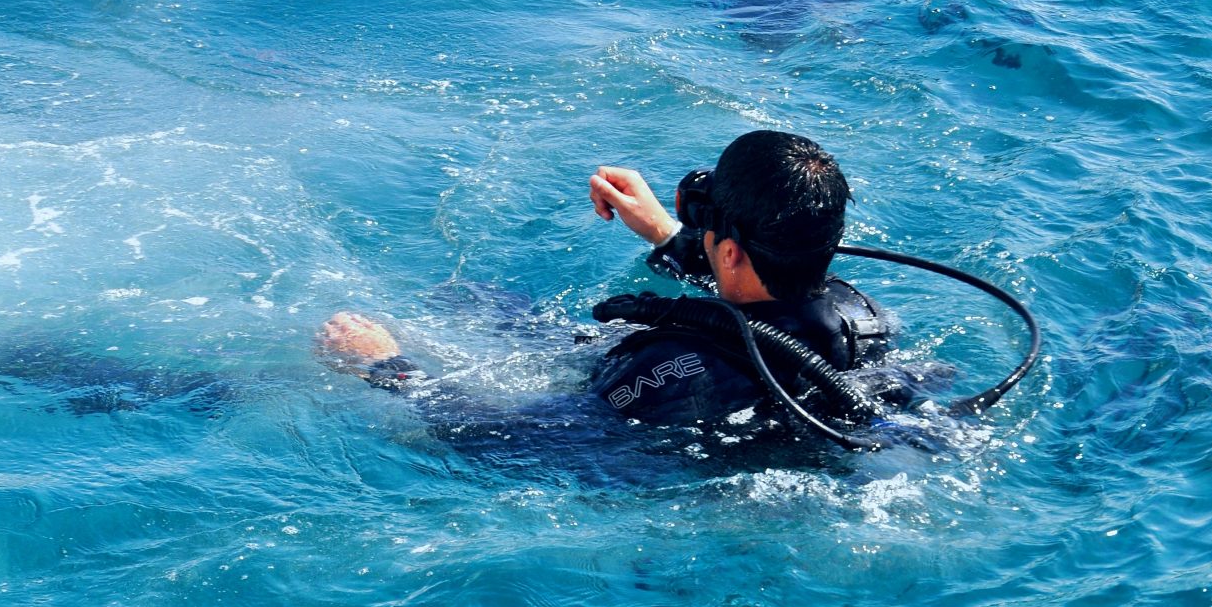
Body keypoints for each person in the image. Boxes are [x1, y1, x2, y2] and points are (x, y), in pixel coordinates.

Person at [319, 131, 900, 432]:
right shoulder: (860, 316)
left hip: (682, 468)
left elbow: (510, 441)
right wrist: (665, 233)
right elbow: (753, 284)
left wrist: (388, 368)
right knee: (479, 303)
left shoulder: (667, 373)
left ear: (728, 251)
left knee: (476, 312)